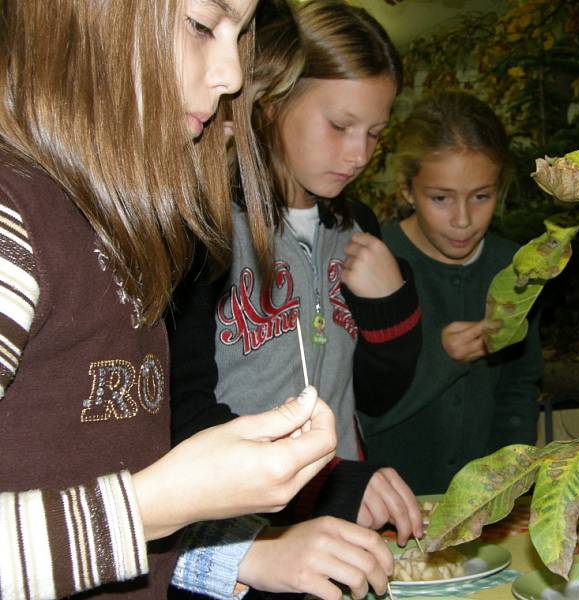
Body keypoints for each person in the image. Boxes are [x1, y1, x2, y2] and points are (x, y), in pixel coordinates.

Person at [0, 1, 368, 598]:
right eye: (202, 25)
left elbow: (80, 505)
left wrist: (235, 552)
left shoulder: (118, 230)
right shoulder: (14, 225)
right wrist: (157, 505)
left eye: (240, 36)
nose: (232, 76)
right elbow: (131, 512)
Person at [167, 1, 422, 597]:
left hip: (339, 536)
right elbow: (184, 411)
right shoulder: (201, 226)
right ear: (273, 101)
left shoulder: (358, 228)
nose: (359, 154)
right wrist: (334, 482)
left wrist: (389, 307)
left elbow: (380, 394)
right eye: (339, 125)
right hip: (233, 550)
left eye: (375, 133)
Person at [359, 90, 544, 495]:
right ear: (408, 189)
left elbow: (519, 387)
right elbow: (356, 414)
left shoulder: (515, 268)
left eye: (481, 196)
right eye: (441, 198)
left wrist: (507, 482)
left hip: (486, 508)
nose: (463, 220)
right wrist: (440, 358)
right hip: (387, 508)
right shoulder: (369, 265)